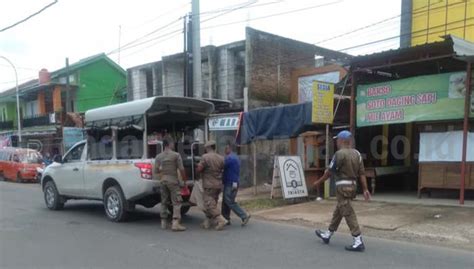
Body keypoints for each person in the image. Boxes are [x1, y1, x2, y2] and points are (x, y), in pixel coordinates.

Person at [313, 130, 371, 252]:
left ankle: (358, 239)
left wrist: (318, 182)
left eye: (337, 140)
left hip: (342, 187)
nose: (337, 142)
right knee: (339, 210)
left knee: (348, 211)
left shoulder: (339, 154)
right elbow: (362, 174)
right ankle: (328, 234)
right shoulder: (357, 154)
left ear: (342, 141)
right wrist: (365, 189)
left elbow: (329, 172)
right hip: (353, 187)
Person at [155, 139, 187, 232]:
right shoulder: (176, 155)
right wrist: (184, 181)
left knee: (164, 201)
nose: (174, 144)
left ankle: (163, 222)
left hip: (163, 181)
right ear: (169, 144)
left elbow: (156, 171)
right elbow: (181, 169)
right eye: (173, 143)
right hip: (173, 181)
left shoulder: (158, 156)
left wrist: (162, 173)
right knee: (176, 201)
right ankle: (175, 223)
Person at [196, 140, 228, 230]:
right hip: (218, 184)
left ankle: (221, 220)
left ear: (208, 148)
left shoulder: (205, 157)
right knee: (213, 203)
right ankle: (207, 223)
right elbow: (223, 168)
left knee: (208, 204)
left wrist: (197, 171)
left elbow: (199, 169)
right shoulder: (221, 158)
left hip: (209, 184)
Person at [222, 142, 251, 226]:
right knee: (225, 201)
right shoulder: (236, 157)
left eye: (226, 148)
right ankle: (225, 218)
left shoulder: (229, 158)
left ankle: (244, 215)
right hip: (234, 182)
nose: (224, 150)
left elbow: (221, 165)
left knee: (229, 201)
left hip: (230, 183)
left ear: (229, 149)